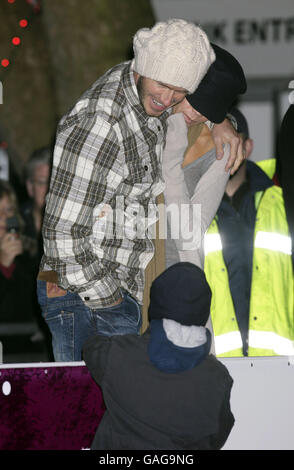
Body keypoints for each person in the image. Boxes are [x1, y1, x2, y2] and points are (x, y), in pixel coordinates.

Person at [37, 19, 245, 362]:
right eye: (164, 85)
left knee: (109, 413)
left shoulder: (147, 99)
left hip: (114, 293)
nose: (168, 98)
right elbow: (62, 235)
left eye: (180, 90)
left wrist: (221, 120)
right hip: (87, 295)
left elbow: (189, 110)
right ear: (145, 69)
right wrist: (113, 301)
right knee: (85, 411)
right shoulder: (103, 122)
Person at [83, 262, 235, 450]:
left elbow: (90, 348)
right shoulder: (217, 377)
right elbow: (218, 434)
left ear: (155, 304)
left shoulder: (120, 354)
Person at [203, 108, 294, 357]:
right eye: (217, 143)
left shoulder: (280, 200)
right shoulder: (195, 212)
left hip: (280, 365)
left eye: (233, 141)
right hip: (216, 365)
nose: (223, 151)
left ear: (248, 146)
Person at [0, 180, 46, 362]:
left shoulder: (31, 253)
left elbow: (34, 305)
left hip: (29, 353)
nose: (4, 216)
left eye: (8, 210)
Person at [21, 146, 52, 269]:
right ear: (30, 187)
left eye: (54, 182)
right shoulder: (14, 224)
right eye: (43, 182)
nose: (50, 189)